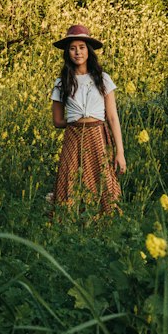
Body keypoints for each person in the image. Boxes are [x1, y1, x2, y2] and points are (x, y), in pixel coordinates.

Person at [50, 23, 126, 215]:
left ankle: (103, 225)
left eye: (82, 47)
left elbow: (112, 117)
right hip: (73, 137)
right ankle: (70, 223)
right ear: (67, 53)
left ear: (88, 51)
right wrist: (76, 121)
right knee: (70, 179)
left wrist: (120, 152)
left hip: (98, 136)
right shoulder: (61, 82)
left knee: (102, 181)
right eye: (73, 49)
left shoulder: (102, 78)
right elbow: (57, 120)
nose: (77, 52)